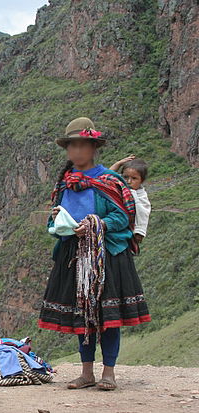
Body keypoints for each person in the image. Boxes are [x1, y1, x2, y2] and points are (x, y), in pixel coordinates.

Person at [39, 117, 151, 391]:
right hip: (73, 257)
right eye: (72, 146)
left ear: (93, 148)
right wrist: (61, 226)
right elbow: (53, 222)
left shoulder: (109, 180)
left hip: (107, 257)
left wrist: (95, 224)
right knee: (82, 315)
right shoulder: (65, 182)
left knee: (107, 316)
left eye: (83, 145)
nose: (77, 151)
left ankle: (108, 372)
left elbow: (122, 216)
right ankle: (86, 371)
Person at [109, 155, 150, 245]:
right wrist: (118, 163)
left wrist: (140, 231)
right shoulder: (119, 186)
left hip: (129, 232)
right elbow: (107, 175)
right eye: (125, 177)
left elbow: (143, 214)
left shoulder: (141, 196)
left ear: (141, 181)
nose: (129, 181)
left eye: (134, 178)